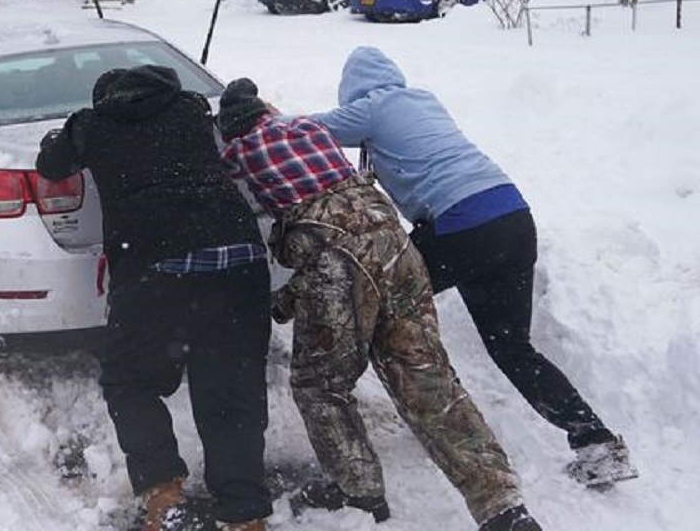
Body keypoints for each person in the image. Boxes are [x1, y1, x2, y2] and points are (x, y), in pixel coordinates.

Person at [218, 78, 540, 531]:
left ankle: (359, 493)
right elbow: (352, 242)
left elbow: (331, 257)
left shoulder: (238, 152)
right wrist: (289, 298)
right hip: (397, 251)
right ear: (267, 110)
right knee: (429, 379)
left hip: (337, 266)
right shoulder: (311, 131)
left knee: (321, 385)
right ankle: (503, 506)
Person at [309, 46, 637, 488]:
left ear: (353, 90)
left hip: (461, 222)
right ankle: (595, 440)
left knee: (383, 301)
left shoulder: (374, 106)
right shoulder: (423, 99)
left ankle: (441, 413)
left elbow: (309, 131)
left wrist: (259, 115)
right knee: (512, 347)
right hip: (512, 217)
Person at [36, 65, 273, 531]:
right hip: (239, 258)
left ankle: (164, 491)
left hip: (158, 264)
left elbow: (51, 165)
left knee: (129, 381)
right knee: (231, 389)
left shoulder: (91, 123)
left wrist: (58, 137)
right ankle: (245, 514)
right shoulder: (189, 107)